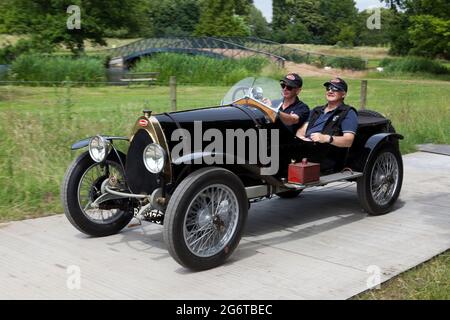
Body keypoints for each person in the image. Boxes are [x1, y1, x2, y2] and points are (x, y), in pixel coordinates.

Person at [295, 77, 358, 172]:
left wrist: (326, 138)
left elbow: (348, 140)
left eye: (335, 89)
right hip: (306, 146)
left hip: (325, 153)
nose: (330, 91)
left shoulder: (348, 112)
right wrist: (302, 138)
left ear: (343, 94)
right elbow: (301, 131)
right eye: (328, 88)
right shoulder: (316, 110)